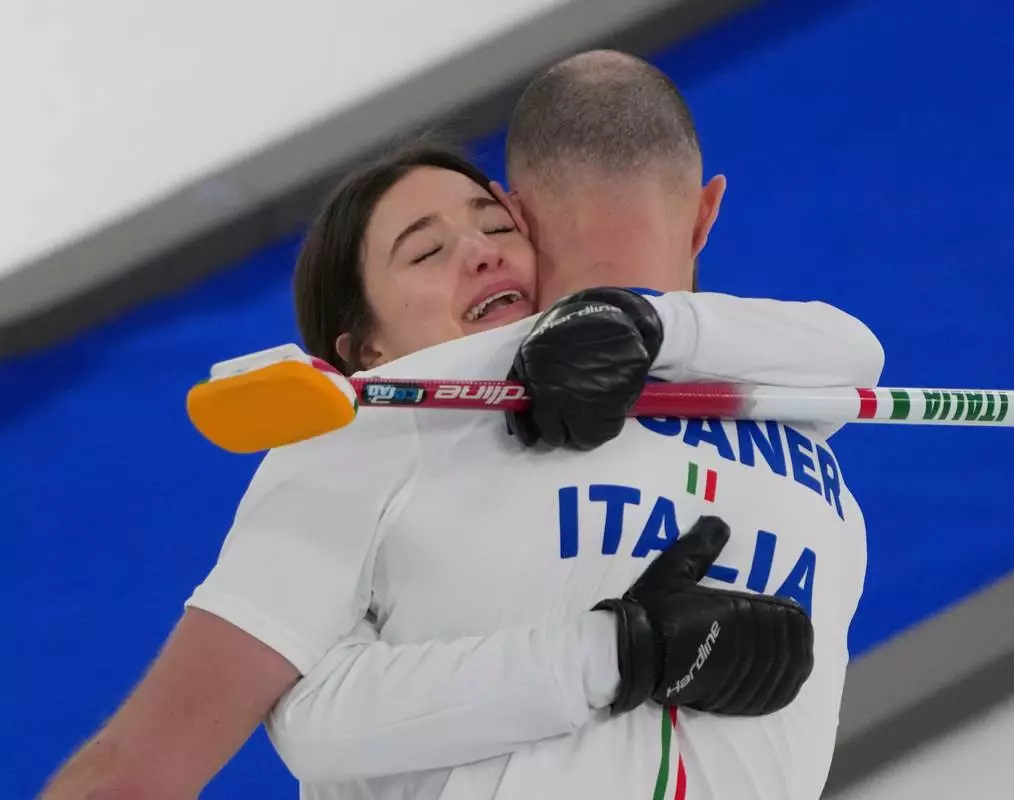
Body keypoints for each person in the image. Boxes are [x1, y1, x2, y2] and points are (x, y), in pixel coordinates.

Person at [40, 51, 882, 800]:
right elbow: (258, 739)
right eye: (423, 250)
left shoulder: (790, 418)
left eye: (492, 226)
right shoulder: (382, 419)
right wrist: (616, 654)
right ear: (364, 348)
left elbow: (851, 351)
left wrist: (643, 321)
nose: (478, 251)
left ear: (530, 227)